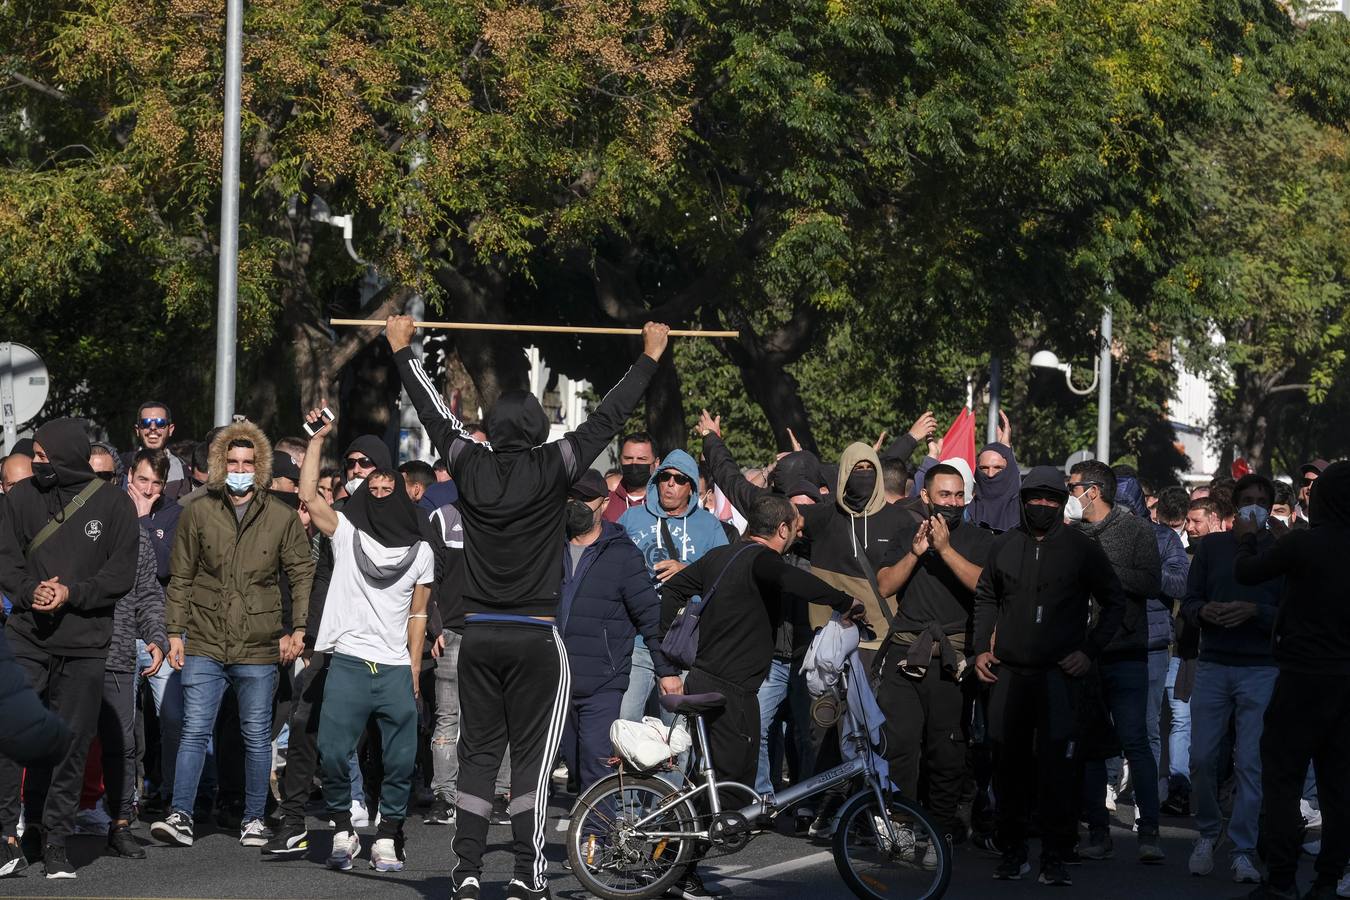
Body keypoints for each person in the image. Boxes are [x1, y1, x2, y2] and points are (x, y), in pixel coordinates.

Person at [390, 314, 670, 900]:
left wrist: (402, 349)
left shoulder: (468, 463)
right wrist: (649, 357)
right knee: (531, 765)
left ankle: (465, 870)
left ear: (491, 427)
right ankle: (526, 872)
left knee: (477, 755)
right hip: (537, 637)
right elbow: (607, 417)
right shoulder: (555, 464)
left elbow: (436, 417)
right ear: (540, 426)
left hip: (479, 635)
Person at [659, 493, 864, 900]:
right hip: (729, 690)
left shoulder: (721, 555)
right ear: (782, 529)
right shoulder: (762, 559)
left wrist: (668, 661)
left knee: (710, 782)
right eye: (796, 529)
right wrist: (845, 602)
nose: (796, 537)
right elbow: (795, 580)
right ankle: (678, 872)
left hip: (706, 679)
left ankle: (675, 866)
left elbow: (670, 592)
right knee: (730, 792)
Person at [151, 421, 314, 850]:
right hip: (204, 637)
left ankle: (254, 817)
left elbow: (300, 574)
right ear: (221, 465)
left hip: (259, 642)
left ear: (258, 468)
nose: (240, 468)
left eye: (248, 462)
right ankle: (180, 813)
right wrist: (174, 632)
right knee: (194, 729)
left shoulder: (281, 515)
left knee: (256, 734)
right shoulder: (199, 511)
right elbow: (181, 576)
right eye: (233, 461)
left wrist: (298, 628)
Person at [972, 465, 1127, 887]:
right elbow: (986, 596)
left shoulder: (1082, 548)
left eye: (1051, 499)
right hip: (1009, 674)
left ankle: (1057, 855)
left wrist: (1089, 651)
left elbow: (1114, 603)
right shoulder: (1003, 545)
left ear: (1063, 503)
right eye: (1034, 498)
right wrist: (980, 649)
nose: (1042, 505)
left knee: (1059, 768)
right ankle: (1012, 851)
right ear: (1022, 501)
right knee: (1006, 764)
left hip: (1061, 675)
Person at [0, 418, 139, 879]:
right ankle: (6, 838)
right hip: (27, 635)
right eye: (35, 455)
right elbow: (5, 557)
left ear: (66, 455)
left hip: (84, 644)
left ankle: (54, 840)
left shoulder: (116, 504)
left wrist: (70, 593)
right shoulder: (20, 498)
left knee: (70, 745)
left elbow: (120, 575)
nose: (37, 463)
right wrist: (30, 592)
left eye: (44, 456)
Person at [298, 408, 433, 874]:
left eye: (383, 487)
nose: (375, 493)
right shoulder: (347, 531)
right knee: (333, 753)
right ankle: (343, 827)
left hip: (395, 667)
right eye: (370, 488)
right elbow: (309, 498)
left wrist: (414, 668)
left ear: (399, 490)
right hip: (350, 662)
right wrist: (316, 440)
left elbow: (418, 614)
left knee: (399, 762)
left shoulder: (422, 551)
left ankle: (389, 836)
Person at [264, 433, 396, 856]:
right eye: (352, 464)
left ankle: (389, 829)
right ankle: (295, 822)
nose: (357, 471)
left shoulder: (407, 521)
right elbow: (321, 579)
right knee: (304, 724)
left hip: (383, 648)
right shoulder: (335, 518)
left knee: (382, 741)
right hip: (336, 645)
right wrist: (310, 632)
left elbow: (421, 590)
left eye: (366, 464)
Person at [1234, 461, 1350, 900]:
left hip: (1301, 676)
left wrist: (1246, 541)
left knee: (1283, 780)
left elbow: (1247, 573)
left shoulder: (1304, 544)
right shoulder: (1306, 544)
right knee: (1339, 787)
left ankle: (1281, 877)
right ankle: (1327, 878)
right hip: (1345, 677)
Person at [873, 463, 994, 846]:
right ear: (926, 496)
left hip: (953, 660)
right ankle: (900, 822)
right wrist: (916, 553)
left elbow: (984, 586)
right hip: (906, 655)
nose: (953, 503)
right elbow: (886, 585)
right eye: (945, 495)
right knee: (902, 744)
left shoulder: (979, 539)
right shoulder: (905, 534)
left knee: (948, 749)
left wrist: (945, 551)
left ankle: (940, 825)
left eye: (959, 495)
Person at [1181, 474, 1281, 884]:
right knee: (1202, 757)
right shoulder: (1213, 548)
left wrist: (1256, 613)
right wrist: (1203, 612)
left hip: (1261, 667)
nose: (1253, 507)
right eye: (1247, 500)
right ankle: (1208, 831)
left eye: (1261, 501)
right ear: (1234, 507)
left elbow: (1292, 614)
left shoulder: (1281, 551)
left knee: (1251, 764)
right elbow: (1189, 602)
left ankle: (1243, 848)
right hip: (1214, 663)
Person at [1066, 460, 1164, 863]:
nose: (1068, 495)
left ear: (1094, 490)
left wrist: (1103, 567)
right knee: (1089, 746)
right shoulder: (1070, 536)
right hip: (1082, 654)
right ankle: (1098, 832)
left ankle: (1150, 834)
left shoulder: (1137, 530)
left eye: (1073, 487)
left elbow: (1151, 583)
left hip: (1126, 653)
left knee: (1135, 741)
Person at [559, 470, 673, 795]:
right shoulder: (549, 549)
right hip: (557, 681)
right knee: (574, 769)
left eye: (586, 499)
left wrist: (665, 671)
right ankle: (585, 838)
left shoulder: (623, 555)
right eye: (572, 498)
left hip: (602, 682)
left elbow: (651, 616)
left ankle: (603, 842)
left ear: (604, 503)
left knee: (598, 767)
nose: (577, 505)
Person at [618, 449, 728, 722]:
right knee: (624, 728)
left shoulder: (709, 526)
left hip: (682, 643)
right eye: (665, 476)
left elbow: (726, 578)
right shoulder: (631, 519)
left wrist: (688, 572)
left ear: (691, 487)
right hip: (636, 641)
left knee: (675, 734)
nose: (671, 483)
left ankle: (677, 768)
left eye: (680, 479)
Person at [97, 523, 167, 860]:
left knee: (122, 744)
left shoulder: (133, 532)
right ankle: (44, 828)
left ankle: (121, 823)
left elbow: (148, 592)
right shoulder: (61, 520)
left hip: (119, 649)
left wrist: (156, 635)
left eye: (109, 476)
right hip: (67, 649)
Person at [122, 401, 192, 500]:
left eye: (160, 423)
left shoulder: (184, 470)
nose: (153, 428)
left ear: (170, 429)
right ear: (137, 430)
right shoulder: (121, 465)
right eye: (145, 423)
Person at [603, 432, 657, 522]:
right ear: (620, 460)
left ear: (656, 463)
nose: (634, 463)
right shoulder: (605, 498)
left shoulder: (663, 499)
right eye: (628, 458)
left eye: (641, 459)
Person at [1294, 459, 1328, 526]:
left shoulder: (1340, 521)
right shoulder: (1290, 518)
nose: (1309, 487)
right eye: (1306, 482)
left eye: (1317, 482)